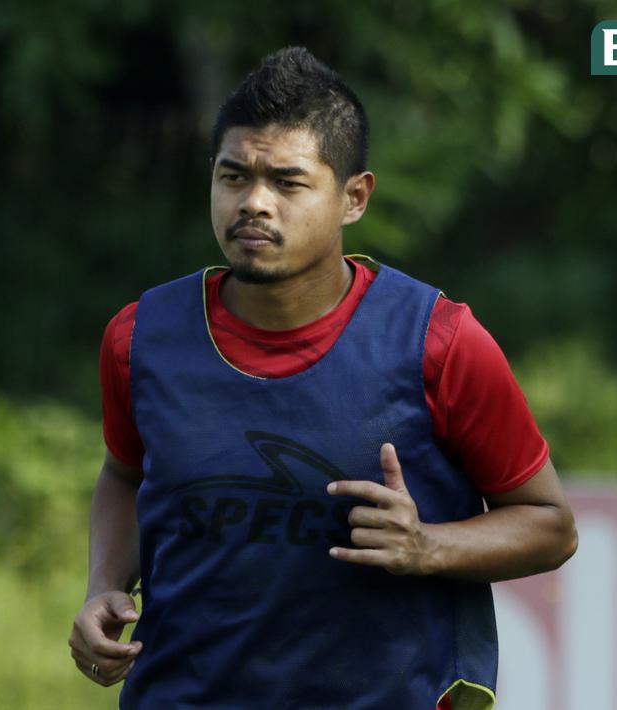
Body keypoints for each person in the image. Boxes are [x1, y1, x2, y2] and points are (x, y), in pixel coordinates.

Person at [68, 47, 578, 709]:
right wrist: (103, 584)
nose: (252, 203)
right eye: (232, 177)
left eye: (286, 182)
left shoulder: (439, 342)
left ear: (353, 198)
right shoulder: (140, 338)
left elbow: (549, 525)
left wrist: (427, 546)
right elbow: (124, 474)